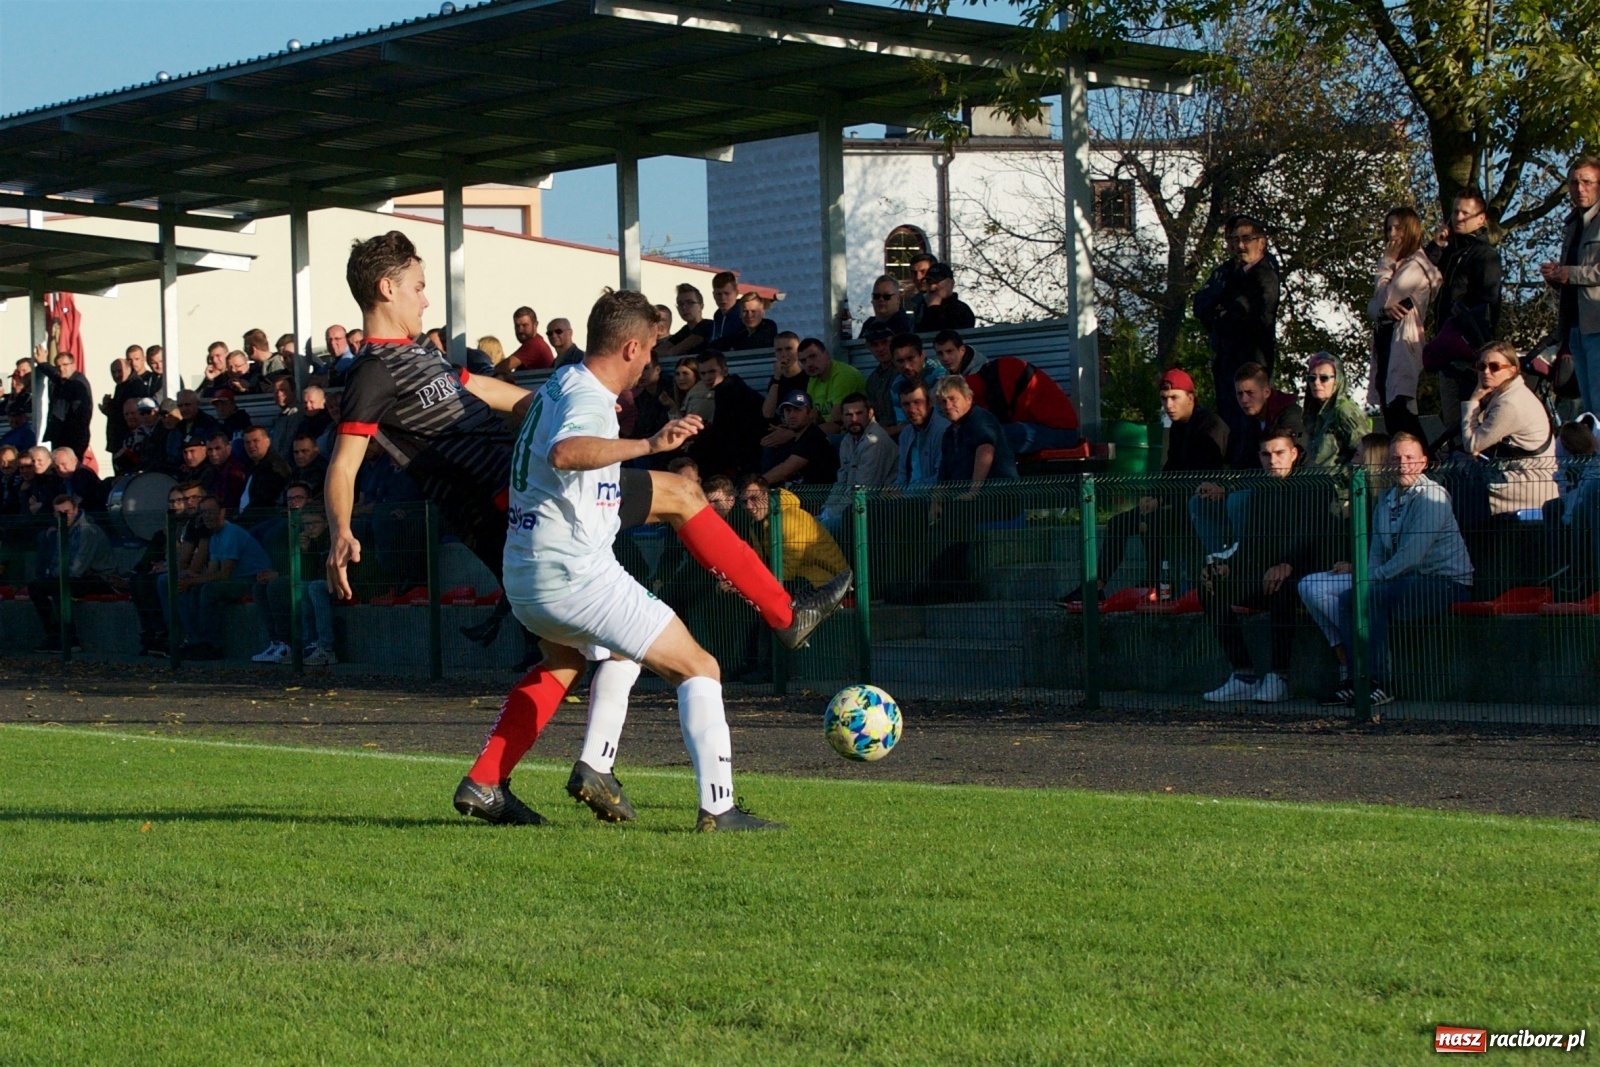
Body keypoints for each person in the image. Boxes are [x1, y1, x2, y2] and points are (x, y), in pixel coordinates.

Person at [325, 235, 849, 813]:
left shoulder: (418, 356)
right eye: (419, 287)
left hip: (521, 500)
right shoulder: (372, 372)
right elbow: (345, 462)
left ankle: (497, 780)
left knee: (575, 654)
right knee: (679, 497)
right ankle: (783, 614)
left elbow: (486, 393)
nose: (427, 300)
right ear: (387, 288)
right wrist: (342, 530)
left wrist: (541, 407)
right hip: (518, 505)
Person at [461, 289, 841, 831]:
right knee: (699, 666)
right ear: (631, 347)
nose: (650, 365)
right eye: (650, 353)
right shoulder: (590, 398)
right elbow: (567, 452)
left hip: (528, 574)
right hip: (575, 575)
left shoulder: (561, 382)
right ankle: (719, 807)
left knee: (589, 657)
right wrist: (649, 444)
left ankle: (511, 775)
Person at [1059, 368, 1228, 606]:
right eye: (1164, 398)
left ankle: (1155, 583)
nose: (1168, 405)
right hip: (1175, 500)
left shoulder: (1210, 425)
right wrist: (1153, 495)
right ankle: (1096, 586)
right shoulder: (1179, 427)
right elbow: (1171, 468)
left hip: (1199, 504)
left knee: (1152, 521)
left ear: (1190, 398)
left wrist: (1161, 500)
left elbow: (1204, 476)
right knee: (1118, 522)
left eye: (1174, 398)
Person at [1335, 433, 1473, 706]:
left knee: (1372, 597)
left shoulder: (1433, 497)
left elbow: (1411, 555)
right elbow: (1376, 550)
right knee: (1349, 598)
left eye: (1410, 458)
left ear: (1423, 463)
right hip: (1408, 580)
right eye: (1396, 458)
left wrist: (1371, 579)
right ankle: (1357, 679)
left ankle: (1380, 683)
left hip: (1445, 582)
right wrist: (1368, 578)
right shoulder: (1386, 500)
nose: (1402, 464)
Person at [1199, 428, 1335, 703]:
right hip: (1267, 572)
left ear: (1294, 453)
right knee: (1210, 587)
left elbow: (1314, 533)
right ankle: (1244, 675)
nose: (1272, 460)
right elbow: (1251, 540)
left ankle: (1279, 676)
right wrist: (1229, 566)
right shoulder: (1262, 490)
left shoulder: (1316, 484)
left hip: (1308, 574)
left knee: (1280, 586)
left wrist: (1288, 563)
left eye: (1279, 453)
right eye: (1265, 454)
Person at [1296, 432, 1392, 703]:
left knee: (1318, 591)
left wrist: (1357, 566)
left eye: (1359, 454)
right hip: (1363, 569)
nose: (1353, 460)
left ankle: (1355, 661)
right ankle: (1345, 655)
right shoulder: (1362, 497)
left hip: (1378, 574)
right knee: (1308, 585)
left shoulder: (1385, 499)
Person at [1189, 362, 1303, 555]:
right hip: (1255, 487)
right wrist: (1219, 487)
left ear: (1266, 392)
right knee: (1199, 502)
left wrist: (1229, 489)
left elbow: (1281, 468)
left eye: (1250, 393)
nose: (1244, 399)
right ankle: (1219, 562)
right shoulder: (1249, 419)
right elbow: (1240, 463)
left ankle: (1244, 564)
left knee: (1237, 500)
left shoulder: (1289, 415)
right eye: (1239, 394)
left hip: (1287, 490)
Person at [1193, 214, 1281, 437]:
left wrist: (1227, 315)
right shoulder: (1226, 272)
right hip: (1225, 360)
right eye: (1234, 240)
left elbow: (1260, 317)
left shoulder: (1266, 276)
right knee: (1229, 422)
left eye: (1246, 239)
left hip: (1251, 361)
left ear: (1261, 242)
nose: (1240, 246)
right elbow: (1200, 303)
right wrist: (1225, 315)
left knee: (1248, 423)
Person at [1427, 188, 1502, 445]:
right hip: (1447, 346)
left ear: (1481, 219)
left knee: (1467, 419)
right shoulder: (1451, 253)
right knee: (1451, 418)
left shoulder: (1484, 255)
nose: (1458, 217)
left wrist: (1476, 339)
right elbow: (1423, 268)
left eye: (1465, 213)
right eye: (1455, 211)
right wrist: (1437, 244)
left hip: (1469, 348)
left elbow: (1489, 303)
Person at [1458, 339, 1558, 515]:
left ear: (1512, 370)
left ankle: (1470, 541)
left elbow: (1472, 444)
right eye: (1481, 366)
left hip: (1530, 483)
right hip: (1515, 473)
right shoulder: (1507, 394)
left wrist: (1473, 401)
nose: (1486, 372)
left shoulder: (1510, 403)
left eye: (1495, 367)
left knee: (1461, 488)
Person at [1368, 207, 1441, 441]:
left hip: (1402, 343)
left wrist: (1386, 263)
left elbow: (1386, 298)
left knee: (1402, 411)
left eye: (1398, 227)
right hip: (1386, 343)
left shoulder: (1415, 266)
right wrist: (1380, 308)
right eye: (1389, 228)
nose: (1392, 234)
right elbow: (1374, 307)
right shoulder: (1398, 267)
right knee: (1391, 411)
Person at [1539, 157, 1600, 414]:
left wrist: (1571, 274)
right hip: (1575, 326)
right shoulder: (1572, 223)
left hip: (1597, 325)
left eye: (1587, 182)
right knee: (1588, 406)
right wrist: (1556, 277)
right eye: (1574, 183)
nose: (1580, 189)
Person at [28, 494, 116, 652]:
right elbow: (54, 561)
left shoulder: (87, 530)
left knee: (58, 587)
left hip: (100, 578)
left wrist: (53, 574)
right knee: (36, 587)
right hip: (74, 576)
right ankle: (54, 635)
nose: (63, 516)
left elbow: (77, 568)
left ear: (75, 510)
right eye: (59, 513)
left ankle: (69, 638)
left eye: (67, 512)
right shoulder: (61, 530)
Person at [963, 354, 1080, 456]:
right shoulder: (991, 376)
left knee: (988, 437)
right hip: (1055, 429)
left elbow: (998, 422)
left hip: (1061, 432)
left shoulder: (995, 384)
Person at [818, 393, 898, 535]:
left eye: (859, 413)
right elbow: (841, 482)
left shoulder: (875, 441)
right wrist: (825, 511)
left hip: (873, 512)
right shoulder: (847, 441)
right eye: (848, 415)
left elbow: (863, 490)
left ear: (870, 413)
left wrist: (828, 517)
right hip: (848, 510)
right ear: (842, 417)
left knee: (814, 533)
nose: (854, 419)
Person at [688, 351, 766, 477]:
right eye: (703, 373)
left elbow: (723, 432)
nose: (707, 377)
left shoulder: (729, 391)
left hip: (750, 454)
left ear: (724, 370)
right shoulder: (730, 387)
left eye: (712, 372)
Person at [1301, 352, 1370, 469]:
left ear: (1337, 380)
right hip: (1315, 483)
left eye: (1324, 378)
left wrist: (1341, 479)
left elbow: (1367, 455)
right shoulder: (1312, 414)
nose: (1316, 383)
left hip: (1339, 485)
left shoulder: (1345, 411)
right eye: (1312, 378)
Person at [760, 391, 839, 488]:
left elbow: (785, 471)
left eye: (798, 410)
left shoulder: (814, 437)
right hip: (794, 497)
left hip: (818, 498)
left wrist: (756, 483)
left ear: (810, 413)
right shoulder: (791, 441)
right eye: (788, 410)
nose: (792, 415)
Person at [799, 338, 867, 433]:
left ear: (827, 354)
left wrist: (795, 435)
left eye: (813, 356)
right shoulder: (813, 379)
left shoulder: (843, 375)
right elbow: (812, 417)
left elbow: (836, 425)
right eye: (803, 361)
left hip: (853, 434)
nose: (809, 364)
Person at [35, 349, 93, 459]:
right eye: (58, 366)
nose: (61, 368)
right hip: (61, 437)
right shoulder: (64, 380)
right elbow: (54, 374)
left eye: (65, 365)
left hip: (72, 439)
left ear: (73, 365)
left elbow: (80, 416)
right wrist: (42, 363)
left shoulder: (78, 383)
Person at [887, 332, 946, 425]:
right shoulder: (896, 385)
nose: (906, 366)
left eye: (910, 358)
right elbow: (903, 423)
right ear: (893, 362)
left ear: (922, 355)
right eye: (900, 361)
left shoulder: (940, 376)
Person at [860, 320, 900, 436]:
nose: (880, 348)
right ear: (868, 347)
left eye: (885, 342)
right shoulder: (873, 380)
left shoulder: (904, 371)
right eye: (874, 344)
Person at [914, 263, 976, 332]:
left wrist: (934, 310)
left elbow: (946, 337)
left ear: (951, 283)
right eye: (929, 282)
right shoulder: (921, 308)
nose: (933, 287)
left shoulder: (961, 311)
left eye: (937, 282)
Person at [664, 284, 713, 357]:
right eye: (680, 304)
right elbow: (658, 351)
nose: (684, 307)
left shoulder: (708, 326)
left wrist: (669, 352)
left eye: (690, 302)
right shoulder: (684, 331)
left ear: (701, 306)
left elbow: (673, 352)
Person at [508, 306, 556, 370]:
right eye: (517, 326)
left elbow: (503, 367)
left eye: (525, 325)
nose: (520, 330)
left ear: (535, 325)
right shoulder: (536, 342)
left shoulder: (534, 345)